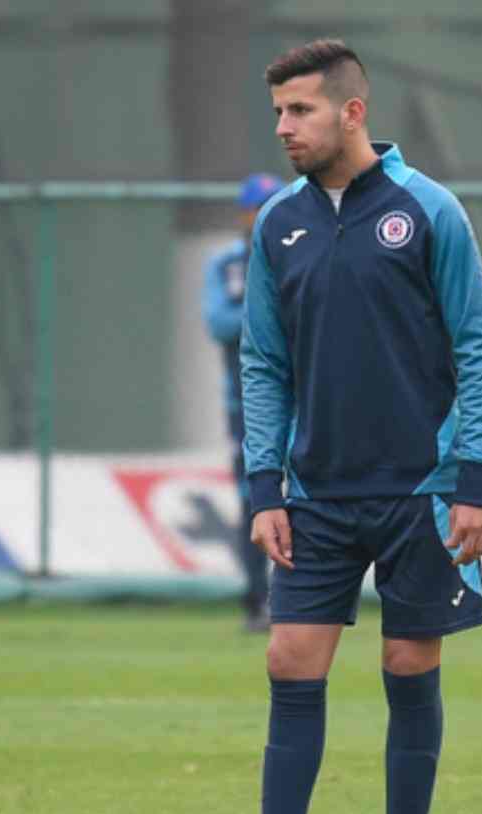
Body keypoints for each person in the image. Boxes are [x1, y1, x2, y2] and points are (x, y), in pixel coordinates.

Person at [240, 39, 482, 814]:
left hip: (420, 490)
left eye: (300, 110)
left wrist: (474, 479)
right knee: (289, 660)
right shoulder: (276, 224)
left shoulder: (428, 210)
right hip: (317, 491)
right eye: (278, 112)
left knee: (406, 661)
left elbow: (479, 350)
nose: (284, 127)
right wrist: (265, 487)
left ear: (351, 112)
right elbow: (262, 362)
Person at [202, 171, 283, 633]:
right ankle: (255, 598)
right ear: (244, 213)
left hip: (306, 400)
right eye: (258, 208)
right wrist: (268, 305)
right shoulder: (228, 264)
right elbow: (218, 321)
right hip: (247, 403)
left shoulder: (300, 252)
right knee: (255, 498)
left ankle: (304, 602)